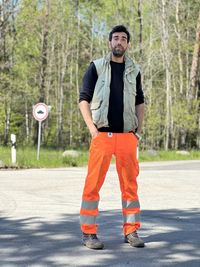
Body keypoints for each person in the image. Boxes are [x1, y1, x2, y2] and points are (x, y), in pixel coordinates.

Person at [79, 25, 145, 250]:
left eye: (123, 39)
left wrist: (138, 132)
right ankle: (89, 233)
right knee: (93, 184)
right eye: (115, 38)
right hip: (102, 136)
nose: (119, 42)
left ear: (128, 44)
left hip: (127, 137)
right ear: (109, 42)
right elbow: (83, 99)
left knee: (130, 186)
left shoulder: (134, 70)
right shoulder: (96, 67)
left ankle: (132, 231)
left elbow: (140, 102)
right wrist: (92, 130)